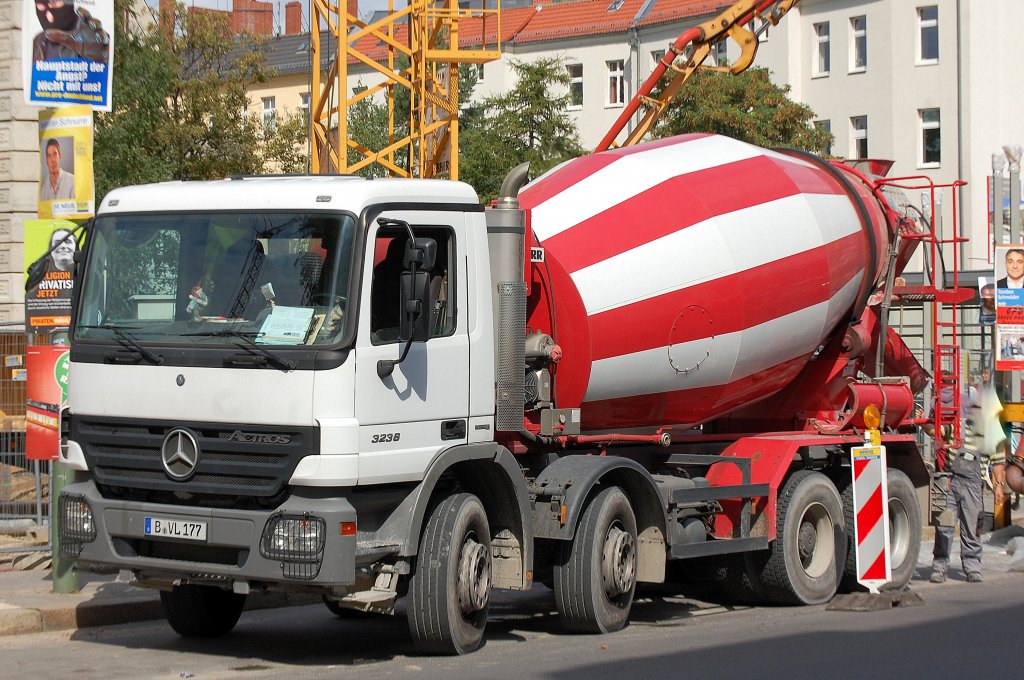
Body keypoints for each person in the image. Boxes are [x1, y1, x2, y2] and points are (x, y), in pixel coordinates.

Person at [928, 375, 1005, 583]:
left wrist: (998, 486)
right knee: (944, 526)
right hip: (951, 481)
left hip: (973, 484)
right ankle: (940, 567)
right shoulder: (957, 422)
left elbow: (998, 460)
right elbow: (938, 432)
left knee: (972, 528)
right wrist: (928, 424)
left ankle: (972, 567)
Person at [32, 0, 110, 63]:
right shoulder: (38, 41)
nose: (50, 17)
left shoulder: (94, 36)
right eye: (41, 6)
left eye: (55, 3)